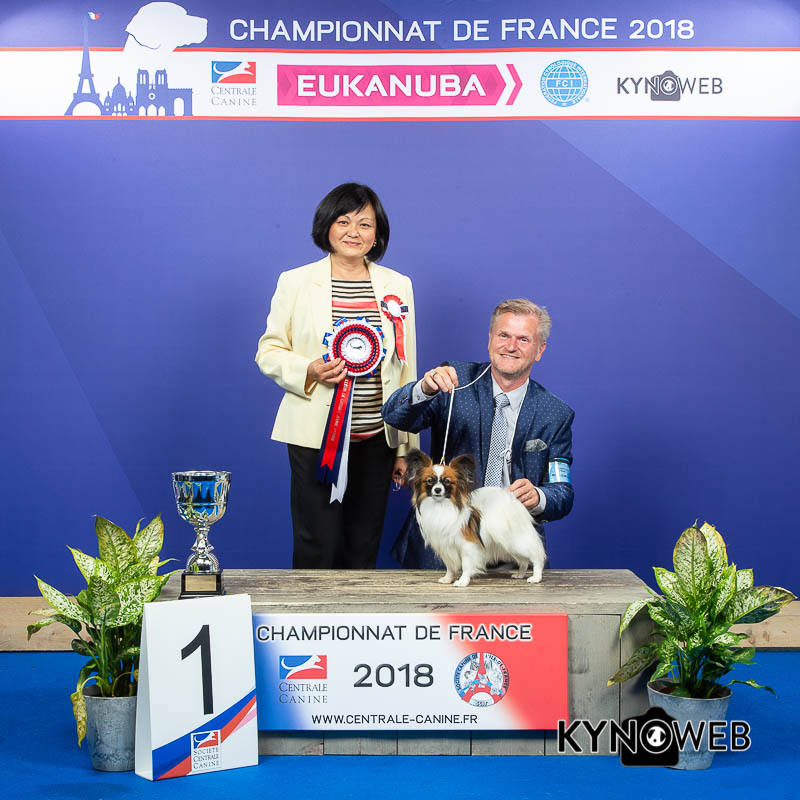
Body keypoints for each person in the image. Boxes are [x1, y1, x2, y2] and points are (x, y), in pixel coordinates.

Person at [255, 183, 417, 569]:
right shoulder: (295, 281)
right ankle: (311, 609)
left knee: (364, 544)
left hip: (378, 438)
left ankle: (354, 610)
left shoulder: (398, 285)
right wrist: (309, 370)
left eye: (365, 224)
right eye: (343, 221)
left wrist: (405, 448)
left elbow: (406, 368)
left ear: (377, 233)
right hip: (316, 437)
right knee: (317, 542)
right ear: (326, 226)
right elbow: (268, 351)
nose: (353, 232)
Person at [382, 298, 573, 568]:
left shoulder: (555, 413)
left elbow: (562, 492)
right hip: (444, 548)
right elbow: (393, 416)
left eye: (523, 339)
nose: (511, 346)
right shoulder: (453, 380)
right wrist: (424, 388)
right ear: (490, 339)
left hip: (510, 549)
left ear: (540, 349)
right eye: (503, 335)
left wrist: (539, 497)